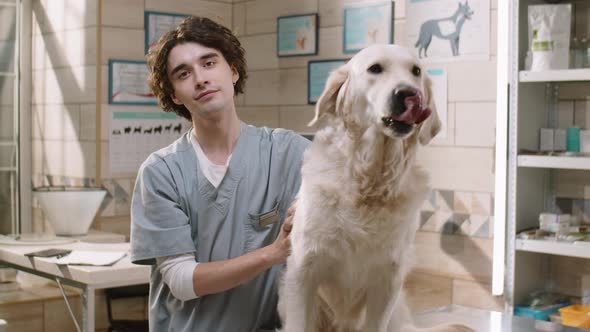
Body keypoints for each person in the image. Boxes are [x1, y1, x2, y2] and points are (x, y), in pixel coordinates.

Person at [130, 16, 309, 332]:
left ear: (234, 70)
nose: (200, 79)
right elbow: (182, 280)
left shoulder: (288, 153)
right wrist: (274, 252)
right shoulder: (161, 173)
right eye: (183, 73)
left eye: (209, 63)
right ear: (174, 94)